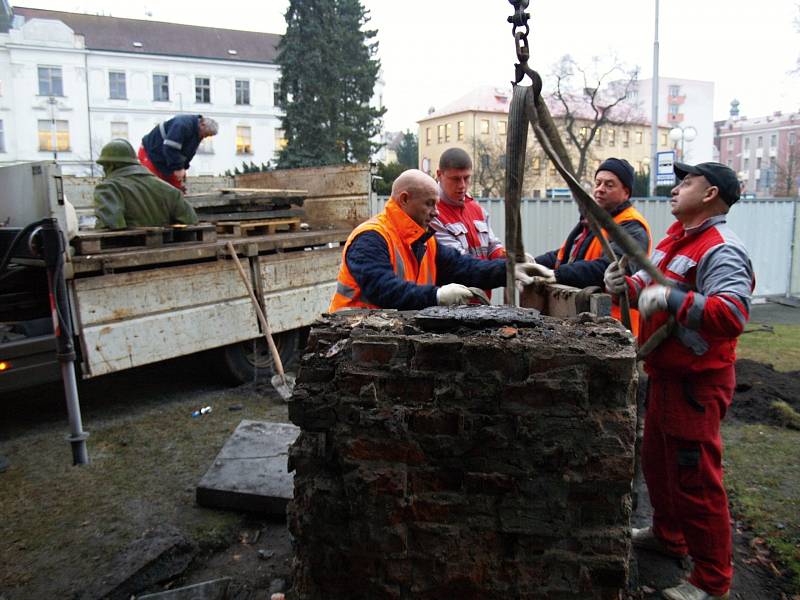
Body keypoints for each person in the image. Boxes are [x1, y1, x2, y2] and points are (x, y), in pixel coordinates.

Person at [604, 162, 753, 600]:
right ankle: (669, 536)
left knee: (696, 480)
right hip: (667, 375)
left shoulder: (721, 248)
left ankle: (711, 582)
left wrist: (671, 298)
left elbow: (732, 314)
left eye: (687, 182)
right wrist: (624, 285)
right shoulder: (676, 241)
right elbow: (649, 286)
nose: (676, 187)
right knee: (660, 465)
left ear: (710, 195)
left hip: (697, 384)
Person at [329, 169, 537, 311]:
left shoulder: (425, 241)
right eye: (429, 204)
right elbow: (383, 289)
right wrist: (436, 296)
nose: (436, 213)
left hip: (381, 340)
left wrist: (509, 270)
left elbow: (465, 267)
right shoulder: (371, 238)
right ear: (404, 199)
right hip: (350, 339)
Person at [530, 158, 652, 334]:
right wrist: (533, 264)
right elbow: (565, 255)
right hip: (588, 321)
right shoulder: (595, 221)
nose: (600, 189)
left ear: (626, 192)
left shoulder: (631, 226)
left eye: (609, 185)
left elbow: (609, 268)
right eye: (598, 183)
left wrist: (555, 275)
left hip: (613, 326)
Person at [93, 138, 199, 230]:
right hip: (167, 248)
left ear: (110, 166)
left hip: (125, 250)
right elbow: (191, 221)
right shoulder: (169, 190)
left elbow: (110, 225)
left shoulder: (108, 188)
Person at [431, 148, 505, 260]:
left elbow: (492, 246)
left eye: (466, 178)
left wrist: (509, 258)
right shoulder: (431, 213)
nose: (462, 185)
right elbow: (458, 261)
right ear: (439, 174)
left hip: (484, 274)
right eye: (455, 179)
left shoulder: (477, 209)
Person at [139, 114, 218, 192]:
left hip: (167, 157)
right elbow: (170, 147)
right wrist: (178, 168)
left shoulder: (198, 133)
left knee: (175, 188)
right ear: (202, 125)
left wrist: (183, 168)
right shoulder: (182, 124)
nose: (205, 137)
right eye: (206, 134)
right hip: (150, 152)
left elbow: (188, 153)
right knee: (152, 186)